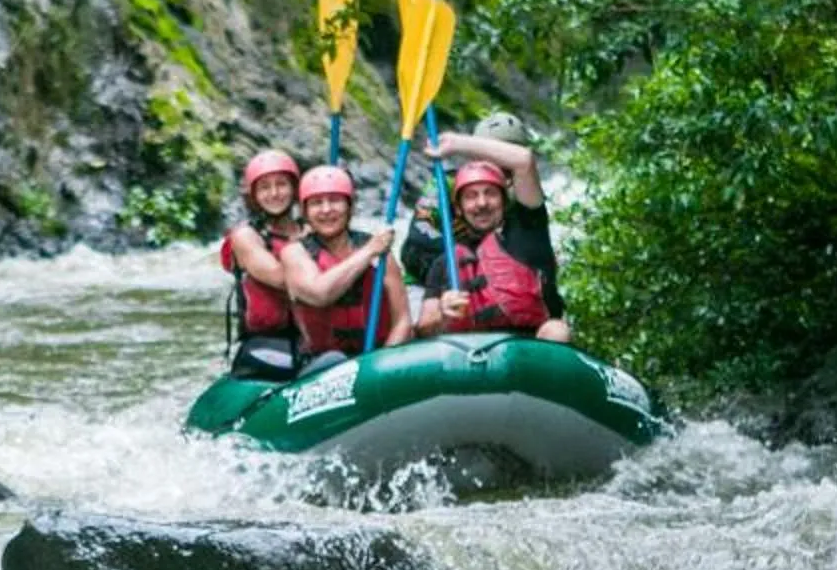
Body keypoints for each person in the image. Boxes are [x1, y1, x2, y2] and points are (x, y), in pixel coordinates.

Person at [402, 122, 572, 342]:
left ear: (504, 199)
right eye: (471, 196)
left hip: (528, 348)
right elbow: (424, 328)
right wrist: (442, 314)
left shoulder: (528, 232)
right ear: (460, 209)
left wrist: (456, 143)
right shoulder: (445, 262)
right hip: (467, 354)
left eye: (490, 193)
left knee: (557, 331)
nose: (481, 203)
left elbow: (524, 161)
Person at [279, 164, 409, 361]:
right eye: (316, 203)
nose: (326, 209)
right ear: (305, 211)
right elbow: (320, 294)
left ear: (350, 206)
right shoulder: (294, 253)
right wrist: (368, 252)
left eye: (335, 200)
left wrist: (382, 364)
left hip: (378, 361)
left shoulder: (380, 252)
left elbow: (403, 321)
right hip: (321, 367)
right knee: (333, 360)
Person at [218, 149, 304, 379]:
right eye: (265, 187)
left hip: (311, 336)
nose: (274, 193)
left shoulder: (311, 228)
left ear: (294, 189)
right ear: (253, 195)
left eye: (281, 184)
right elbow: (283, 279)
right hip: (267, 344)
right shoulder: (246, 237)